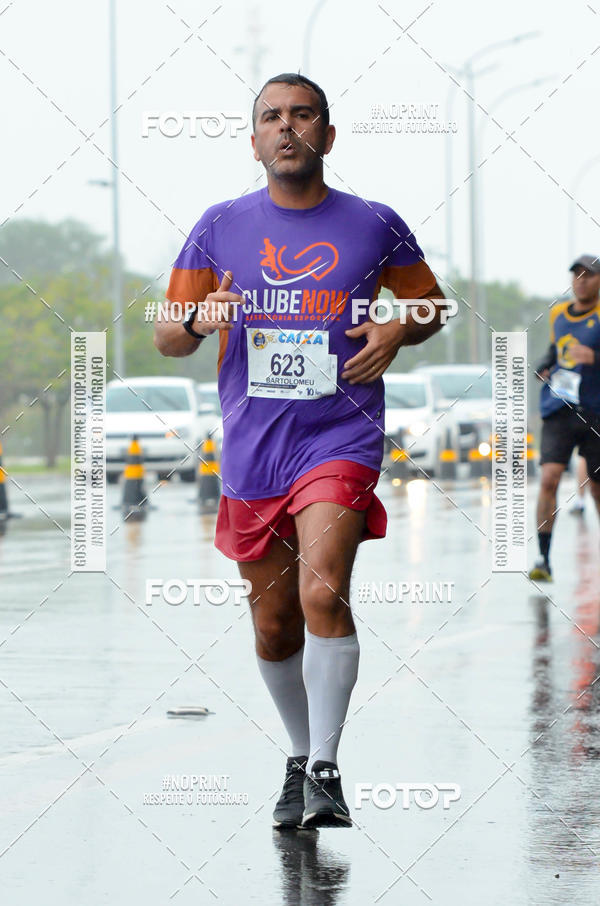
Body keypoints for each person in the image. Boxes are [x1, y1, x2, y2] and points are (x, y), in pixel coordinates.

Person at [155, 73, 446, 829]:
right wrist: (197, 319)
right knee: (275, 624)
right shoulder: (218, 226)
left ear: (327, 134)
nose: (287, 128)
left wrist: (396, 328)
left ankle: (326, 765)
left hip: (339, 433)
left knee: (323, 593)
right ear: (254, 141)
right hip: (255, 445)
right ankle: (297, 758)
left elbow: (431, 305)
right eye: (272, 118)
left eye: (302, 115)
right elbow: (166, 334)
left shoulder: (375, 223)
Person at [529, 254, 600, 581]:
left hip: (596, 412)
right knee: (549, 479)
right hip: (560, 408)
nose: (581, 281)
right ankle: (543, 559)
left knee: (597, 489)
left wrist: (595, 358)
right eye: (577, 275)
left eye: (588, 275)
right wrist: (543, 366)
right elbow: (555, 350)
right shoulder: (558, 313)